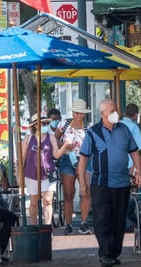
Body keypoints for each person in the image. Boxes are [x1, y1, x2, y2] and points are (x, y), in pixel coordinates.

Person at [77, 99, 141, 267]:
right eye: (112, 111)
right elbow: (83, 159)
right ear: (102, 114)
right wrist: (83, 183)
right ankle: (105, 254)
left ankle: (114, 253)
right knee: (102, 219)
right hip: (101, 184)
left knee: (119, 221)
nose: (116, 113)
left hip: (122, 183)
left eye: (116, 110)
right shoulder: (93, 132)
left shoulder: (124, 129)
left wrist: (138, 171)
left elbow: (134, 151)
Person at [21, 113, 70, 225]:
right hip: (31, 174)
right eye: (43, 123)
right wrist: (19, 173)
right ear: (36, 125)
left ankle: (47, 228)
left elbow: (56, 155)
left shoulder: (51, 137)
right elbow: (22, 158)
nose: (45, 125)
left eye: (46, 123)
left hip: (49, 173)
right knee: (33, 202)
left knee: (48, 201)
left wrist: (65, 145)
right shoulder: (28, 139)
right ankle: (34, 226)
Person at [54, 99, 93, 235]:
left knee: (86, 191)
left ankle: (84, 223)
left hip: (85, 159)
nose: (79, 115)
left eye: (81, 113)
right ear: (73, 112)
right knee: (68, 193)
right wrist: (65, 146)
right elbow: (55, 140)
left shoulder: (89, 126)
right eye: (77, 112)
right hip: (67, 159)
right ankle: (69, 224)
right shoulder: (64, 124)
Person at [119, 103, 141, 229]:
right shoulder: (133, 127)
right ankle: (131, 222)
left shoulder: (118, 125)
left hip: (118, 164)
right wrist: (136, 167)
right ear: (135, 115)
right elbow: (140, 147)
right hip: (130, 164)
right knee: (131, 195)